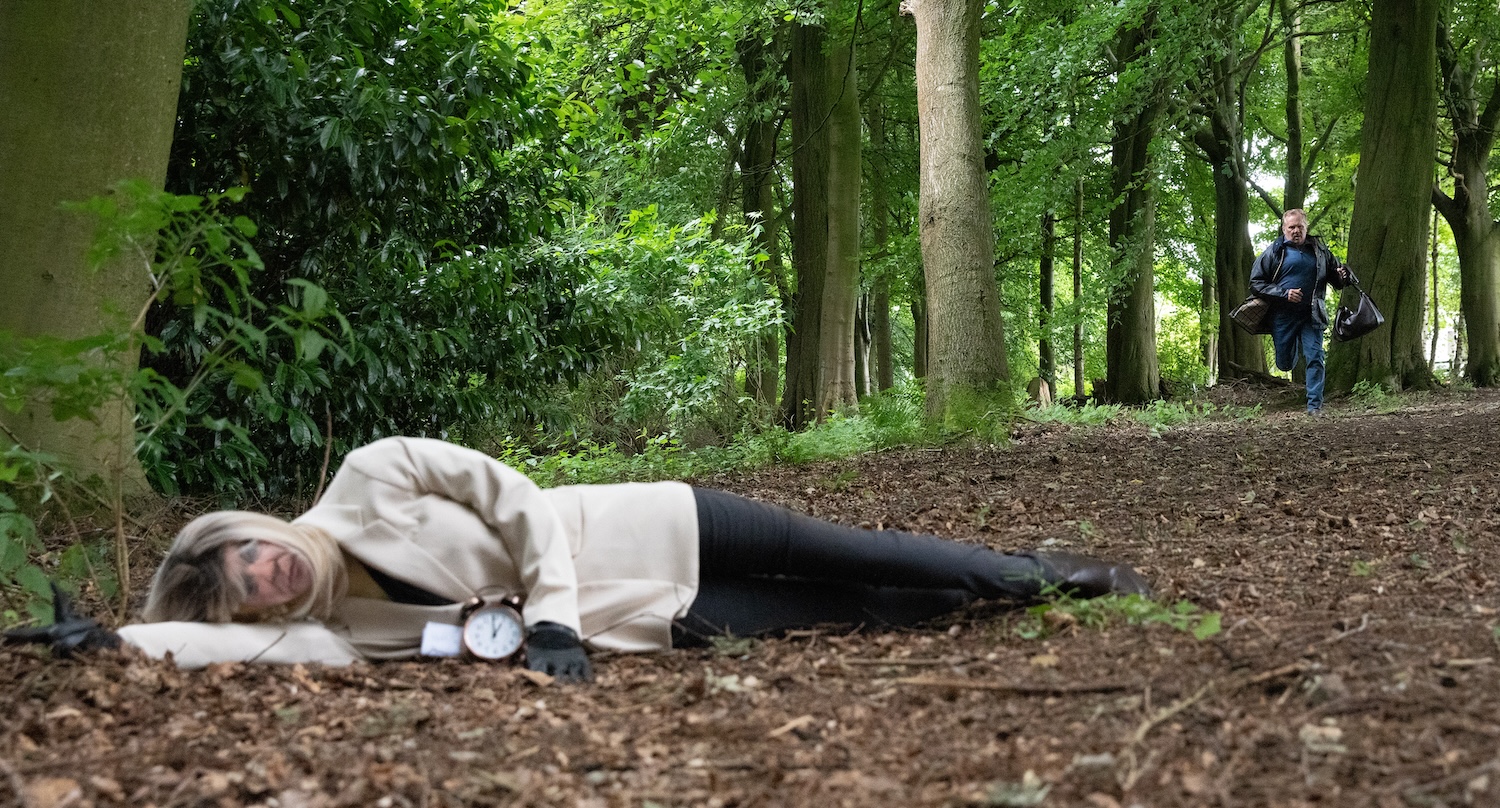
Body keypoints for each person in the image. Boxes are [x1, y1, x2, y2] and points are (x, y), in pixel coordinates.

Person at [9, 437, 1150, 682]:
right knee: (853, 613)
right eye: (253, 593)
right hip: (649, 618)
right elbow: (220, 649)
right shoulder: (332, 634)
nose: (269, 579)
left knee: (872, 551)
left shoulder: (365, 476)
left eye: (254, 557)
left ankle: (1039, 574)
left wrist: (547, 614)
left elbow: (510, 498)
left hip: (657, 524)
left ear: (258, 524)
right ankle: (978, 605)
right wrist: (123, 637)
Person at [1249, 208, 1351, 415]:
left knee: (1315, 356)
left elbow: (1337, 280)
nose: (1296, 230)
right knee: (1285, 363)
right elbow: (1256, 283)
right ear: (1284, 229)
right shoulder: (1274, 252)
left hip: (1312, 314)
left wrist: (1342, 275)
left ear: (1306, 227)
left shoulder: (1320, 251)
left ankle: (1315, 405)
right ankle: (1292, 345)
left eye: (1300, 227)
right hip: (1283, 316)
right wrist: (1284, 293)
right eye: (1291, 227)